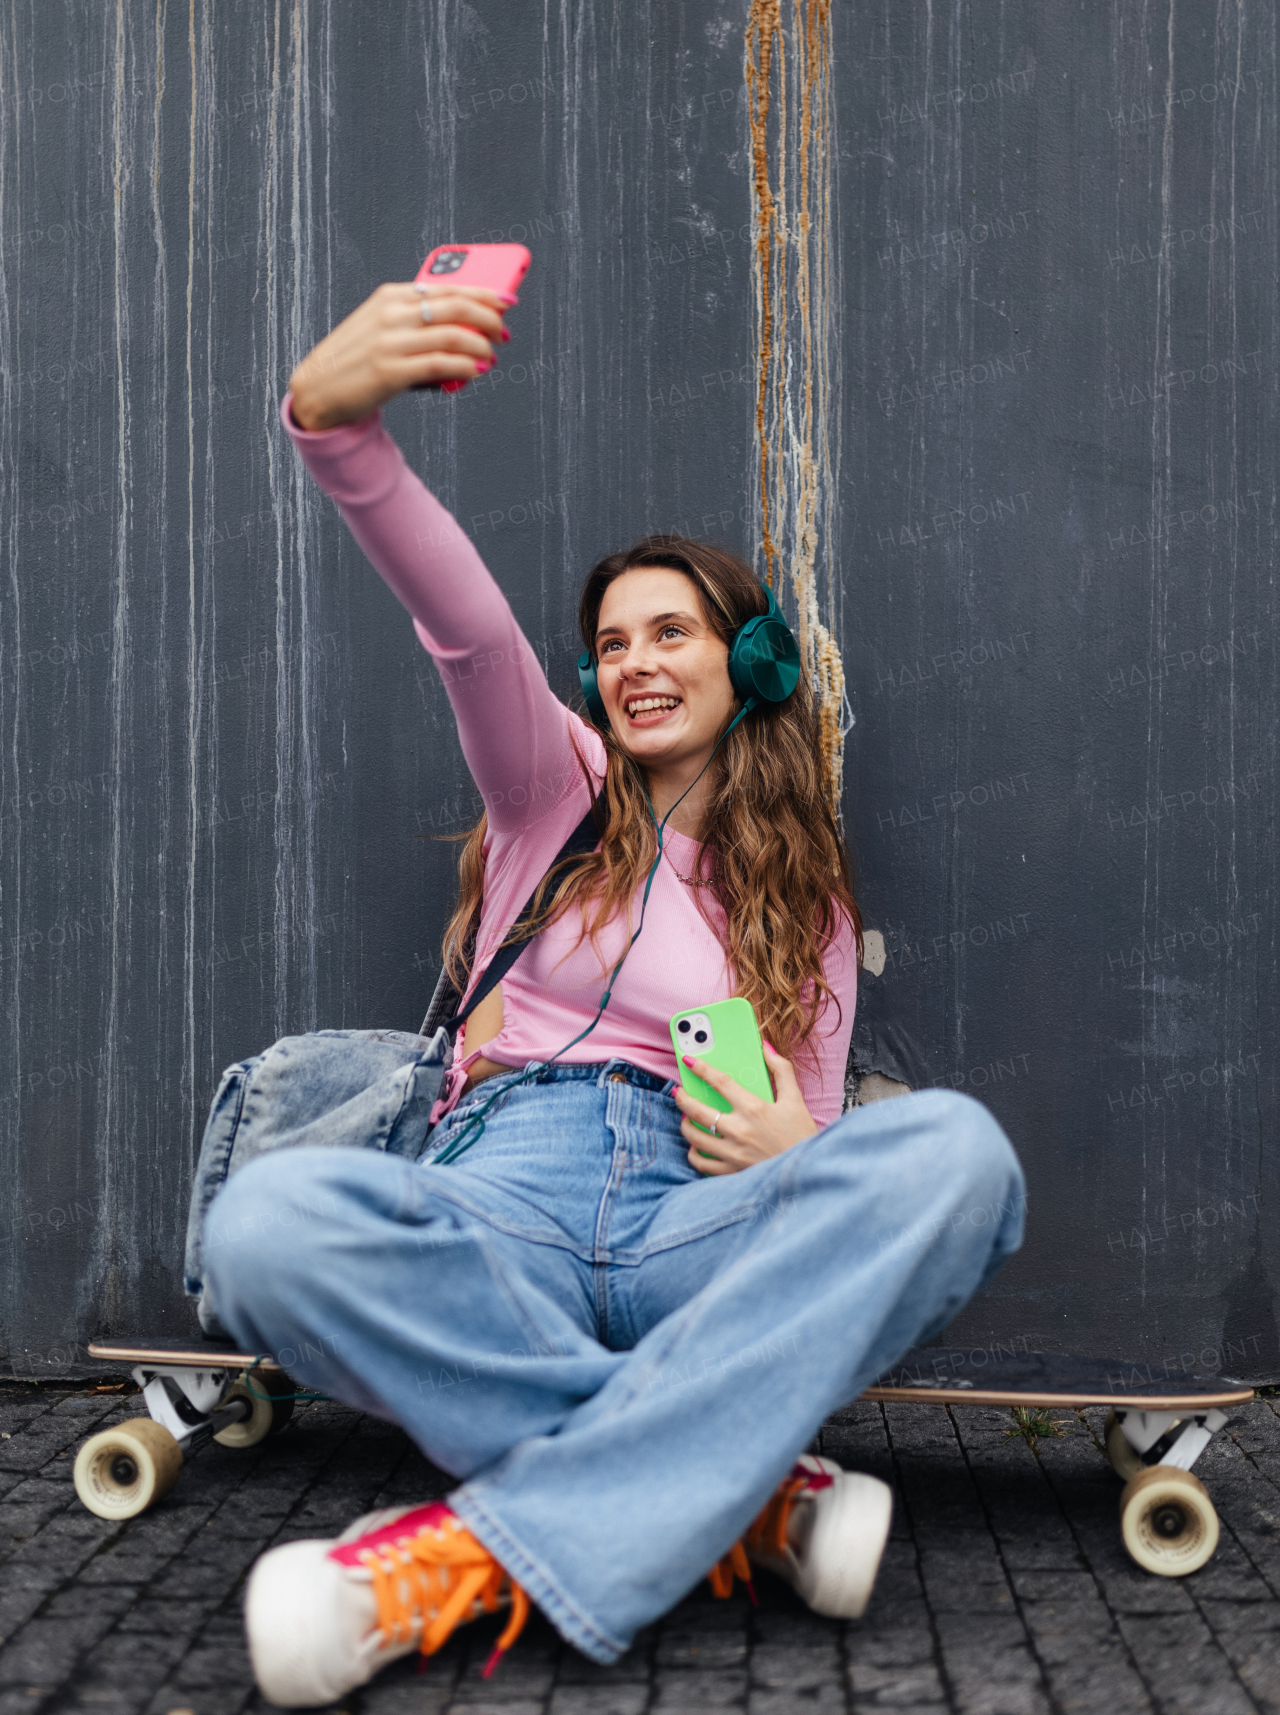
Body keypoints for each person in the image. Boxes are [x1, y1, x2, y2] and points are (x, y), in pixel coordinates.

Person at [202, 278, 1026, 1708]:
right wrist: (340, 436)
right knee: (267, 1223)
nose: (637, 662)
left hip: (688, 1223)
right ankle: (740, 1498)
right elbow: (461, 625)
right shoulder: (551, 788)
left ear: (744, 661)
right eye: (617, 641)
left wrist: (803, 1153)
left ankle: (469, 1553)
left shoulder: (802, 905)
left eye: (674, 633)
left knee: (959, 1155)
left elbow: (823, 1155)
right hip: (501, 1190)